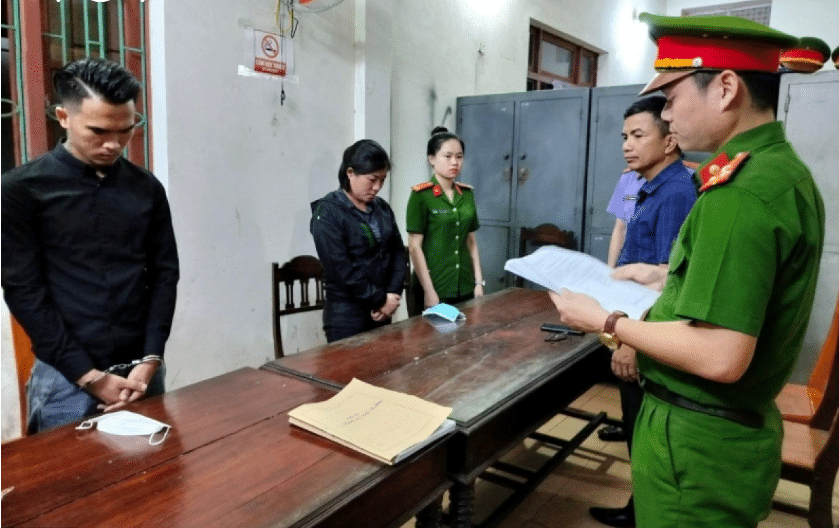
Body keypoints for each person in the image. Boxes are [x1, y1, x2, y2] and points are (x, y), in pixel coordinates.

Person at [550, 14, 825, 528]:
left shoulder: (734, 193)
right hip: (713, 433)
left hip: (697, 442)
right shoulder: (776, 172)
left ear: (726, 88)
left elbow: (721, 354)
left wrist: (607, 322)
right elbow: (727, 283)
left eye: (672, 97)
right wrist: (658, 278)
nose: (666, 114)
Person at [1, 57, 180, 434]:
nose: (113, 144)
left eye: (126, 131)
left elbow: (165, 274)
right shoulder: (22, 190)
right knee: (66, 472)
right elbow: (24, 290)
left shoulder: (146, 188)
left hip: (140, 374)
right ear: (63, 117)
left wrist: (151, 358)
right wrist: (89, 376)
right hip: (66, 380)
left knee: (154, 469)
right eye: (98, 131)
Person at [590, 96, 697, 528]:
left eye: (637, 135)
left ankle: (641, 513)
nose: (626, 145)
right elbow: (625, 237)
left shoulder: (676, 192)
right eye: (624, 136)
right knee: (636, 418)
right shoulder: (641, 182)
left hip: (646, 326)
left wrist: (632, 342)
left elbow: (670, 280)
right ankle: (640, 507)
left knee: (644, 427)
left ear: (669, 141)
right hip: (632, 313)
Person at [310, 139, 406, 342]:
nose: (377, 187)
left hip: (383, 310)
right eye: (372, 179)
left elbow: (397, 251)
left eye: (382, 180)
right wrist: (380, 299)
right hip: (347, 316)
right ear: (350, 173)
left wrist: (393, 294)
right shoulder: (327, 214)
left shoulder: (382, 208)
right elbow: (341, 269)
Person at [406, 127, 484, 316]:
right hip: (435, 287)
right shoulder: (421, 196)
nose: (454, 162)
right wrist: (429, 290)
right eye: (447, 156)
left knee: (467, 333)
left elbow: (471, 242)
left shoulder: (467, 194)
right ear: (431, 159)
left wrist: (478, 282)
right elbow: (415, 247)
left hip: (465, 285)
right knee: (431, 335)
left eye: (459, 157)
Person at [605, 169, 645, 268]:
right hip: (628, 262)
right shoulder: (628, 178)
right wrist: (610, 269)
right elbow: (620, 228)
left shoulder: (678, 177)